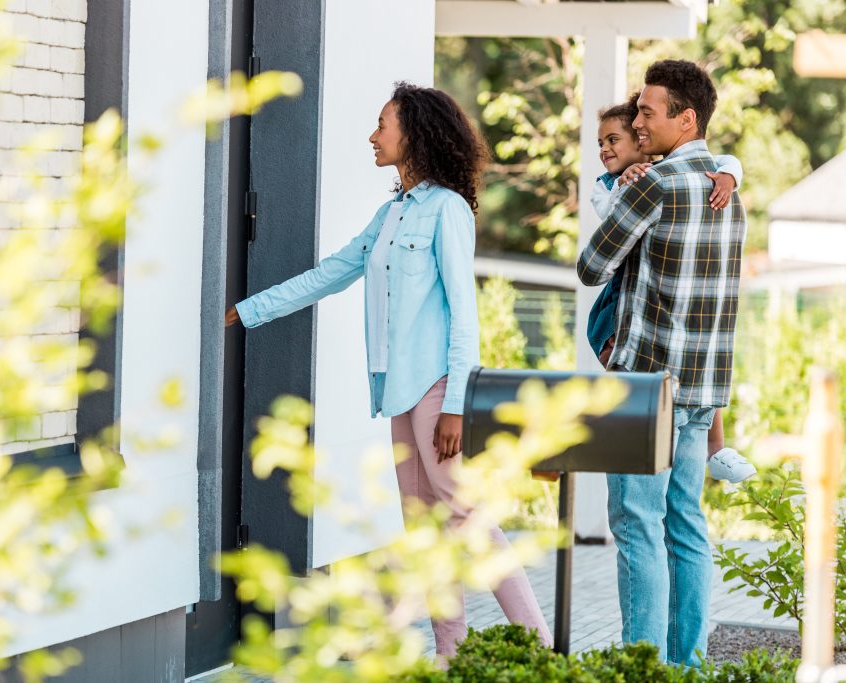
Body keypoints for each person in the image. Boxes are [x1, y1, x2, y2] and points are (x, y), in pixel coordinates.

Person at [226, 82, 552, 660]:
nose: (373, 137)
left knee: (466, 516)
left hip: (436, 390)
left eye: (383, 125)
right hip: (399, 394)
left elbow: (463, 312)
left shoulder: (447, 209)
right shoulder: (393, 212)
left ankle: (542, 649)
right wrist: (248, 311)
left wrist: (455, 403)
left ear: (415, 134)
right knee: (427, 529)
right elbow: (332, 272)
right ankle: (450, 654)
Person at [576, 60, 748, 666]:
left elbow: (591, 267)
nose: (637, 121)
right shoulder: (731, 192)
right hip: (703, 389)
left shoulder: (651, 184)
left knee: (638, 526)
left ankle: (642, 667)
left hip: (646, 389)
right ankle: (690, 667)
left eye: (647, 112)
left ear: (686, 118)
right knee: (686, 524)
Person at [589, 95, 756, 484]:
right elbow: (607, 221)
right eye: (601, 143)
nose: (604, 150)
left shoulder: (665, 175)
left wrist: (730, 177)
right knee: (615, 349)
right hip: (621, 296)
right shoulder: (613, 185)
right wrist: (626, 188)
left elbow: (727, 160)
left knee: (697, 374)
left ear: (639, 141)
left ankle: (718, 448)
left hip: (654, 308)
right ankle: (621, 404)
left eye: (614, 140)